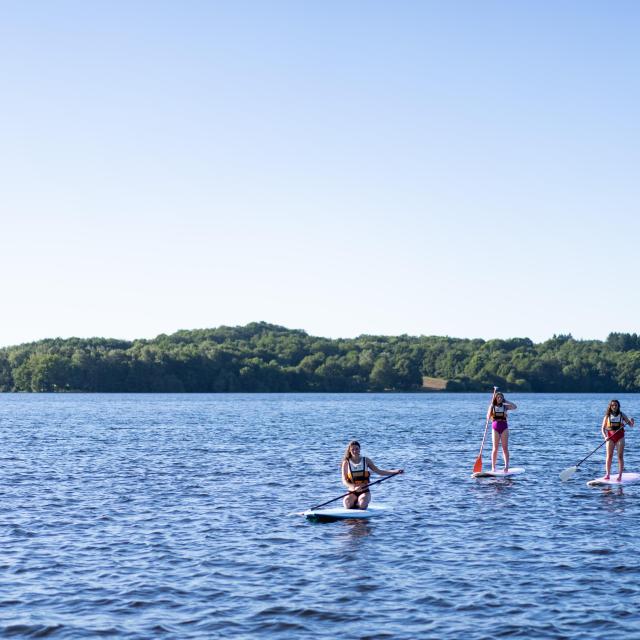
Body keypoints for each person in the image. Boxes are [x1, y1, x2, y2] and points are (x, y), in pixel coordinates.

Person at [341, 440, 403, 510]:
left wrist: (396, 472)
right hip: (352, 491)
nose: (355, 451)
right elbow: (344, 481)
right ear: (349, 450)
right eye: (352, 449)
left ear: (359, 449)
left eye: (357, 449)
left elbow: (379, 471)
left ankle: (360, 504)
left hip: (364, 492)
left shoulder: (366, 460)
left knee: (362, 504)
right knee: (347, 504)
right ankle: (355, 503)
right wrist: (354, 487)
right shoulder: (346, 462)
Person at [601, 399, 635, 481]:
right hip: (610, 437)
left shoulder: (622, 415)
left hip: (620, 437)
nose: (614, 407)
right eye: (613, 405)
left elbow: (631, 425)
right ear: (610, 406)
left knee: (620, 456)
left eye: (616, 405)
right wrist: (605, 436)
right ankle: (607, 474)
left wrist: (632, 422)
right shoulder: (607, 416)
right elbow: (602, 428)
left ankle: (620, 476)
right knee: (609, 456)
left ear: (618, 406)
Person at [487, 392, 517, 472]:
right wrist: (490, 409)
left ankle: (506, 467)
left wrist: (506, 400)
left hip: (504, 427)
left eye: (501, 397)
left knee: (505, 448)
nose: (499, 399)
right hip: (495, 428)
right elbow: (488, 417)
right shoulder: (492, 406)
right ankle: (493, 467)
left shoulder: (505, 407)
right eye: (498, 397)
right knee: (495, 448)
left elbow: (515, 407)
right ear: (495, 398)